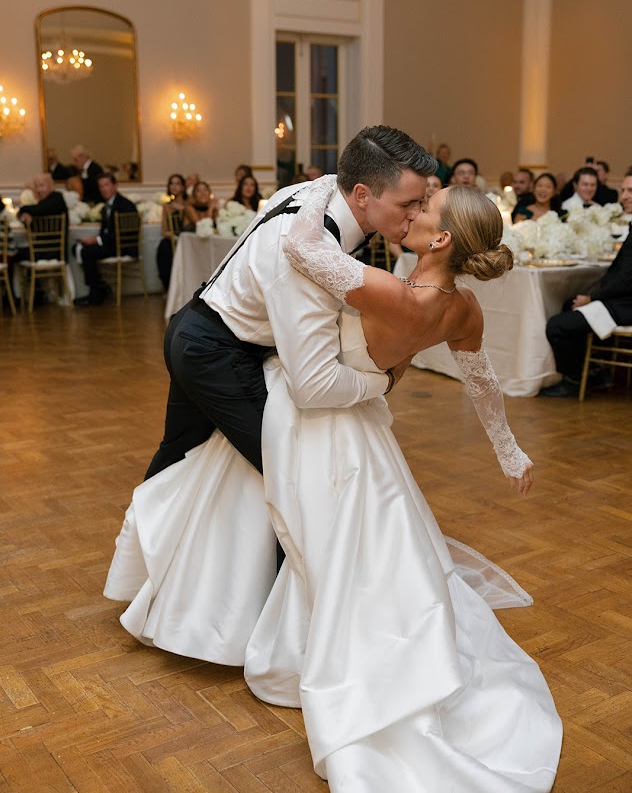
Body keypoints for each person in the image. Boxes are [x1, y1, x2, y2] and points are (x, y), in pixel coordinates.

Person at [105, 176, 561, 791]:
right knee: (360, 540)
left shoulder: (391, 292)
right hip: (365, 428)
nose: (415, 209)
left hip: (315, 418)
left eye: (425, 208)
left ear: (442, 236)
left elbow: (300, 248)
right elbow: (482, 384)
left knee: (314, 533)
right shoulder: (463, 308)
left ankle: (258, 626)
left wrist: (332, 184)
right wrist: (509, 451)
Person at [141, 125, 434, 483]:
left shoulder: (320, 191)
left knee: (177, 462)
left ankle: (149, 539)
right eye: (408, 204)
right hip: (216, 353)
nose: (417, 215)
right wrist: (383, 383)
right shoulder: (310, 255)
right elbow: (313, 387)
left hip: (193, 327)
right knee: (296, 479)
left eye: (421, 202)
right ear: (361, 194)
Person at [540, 171, 632, 397]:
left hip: (626, 306)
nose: (624, 196)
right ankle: (592, 372)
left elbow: (627, 280)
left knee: (556, 325)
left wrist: (592, 298)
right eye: (623, 190)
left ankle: (574, 380)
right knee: (568, 305)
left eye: (630, 191)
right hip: (621, 299)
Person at [74, 173, 137, 306]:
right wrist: (96, 239)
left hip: (123, 246)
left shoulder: (125, 205)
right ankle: (100, 286)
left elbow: (124, 233)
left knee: (87, 251)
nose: (104, 189)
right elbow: (105, 230)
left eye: (107, 185)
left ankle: (95, 293)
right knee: (76, 247)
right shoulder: (106, 206)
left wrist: (97, 240)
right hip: (111, 244)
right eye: (101, 186)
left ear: (115, 186)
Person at [156, 174, 187, 291]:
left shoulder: (188, 204)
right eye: (171, 184)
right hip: (173, 239)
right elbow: (164, 230)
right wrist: (174, 237)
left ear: (183, 187)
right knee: (164, 246)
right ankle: (168, 287)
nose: (174, 186)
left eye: (177, 183)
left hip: (188, 238)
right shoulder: (167, 206)